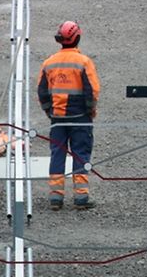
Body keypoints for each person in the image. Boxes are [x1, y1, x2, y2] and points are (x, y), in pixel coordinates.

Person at [37, 20, 101, 209]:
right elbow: (93, 90)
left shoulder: (49, 63)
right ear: (77, 38)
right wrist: (90, 110)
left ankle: (56, 197)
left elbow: (42, 91)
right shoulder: (83, 62)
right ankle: (81, 197)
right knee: (81, 154)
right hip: (80, 118)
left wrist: (50, 112)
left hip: (57, 119)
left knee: (57, 154)